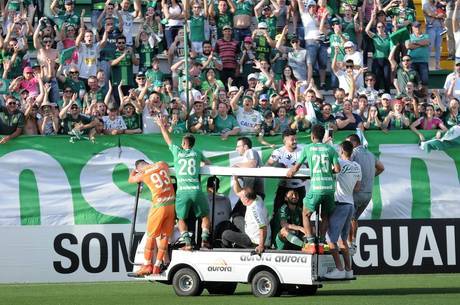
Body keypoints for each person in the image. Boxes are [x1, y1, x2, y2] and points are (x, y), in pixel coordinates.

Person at [155, 116, 212, 250]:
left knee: (181, 218)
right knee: (205, 215)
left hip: (182, 191)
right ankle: (204, 240)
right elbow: (208, 164)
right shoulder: (197, 152)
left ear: (184, 144)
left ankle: (187, 243)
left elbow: (167, 138)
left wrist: (161, 125)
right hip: (196, 189)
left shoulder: (177, 151)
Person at [287, 124, 341, 254]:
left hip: (316, 187)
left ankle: (311, 243)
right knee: (325, 216)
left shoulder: (308, 148)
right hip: (329, 189)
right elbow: (338, 169)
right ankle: (321, 243)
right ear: (323, 136)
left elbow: (297, 166)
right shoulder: (330, 149)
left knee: (306, 213)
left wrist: (291, 172)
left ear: (312, 136)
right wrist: (328, 172)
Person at [128, 159, 176, 276]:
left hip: (158, 206)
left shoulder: (143, 173)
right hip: (171, 205)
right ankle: (157, 266)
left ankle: (147, 265)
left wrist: (134, 172)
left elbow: (130, 180)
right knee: (164, 236)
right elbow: (166, 165)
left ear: (139, 168)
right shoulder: (161, 164)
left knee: (151, 235)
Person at [323, 140, 361, 280]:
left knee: (331, 239)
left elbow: (329, 169)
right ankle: (348, 270)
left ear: (341, 151)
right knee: (343, 240)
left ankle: (339, 269)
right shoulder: (357, 166)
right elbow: (357, 188)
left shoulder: (340, 162)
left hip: (340, 204)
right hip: (350, 204)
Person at [346, 134, 385, 254]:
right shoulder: (370, 154)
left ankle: (349, 244)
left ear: (353, 143)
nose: (346, 147)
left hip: (356, 192)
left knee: (348, 219)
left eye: (348, 144)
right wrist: (369, 177)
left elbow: (345, 165)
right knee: (354, 219)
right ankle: (353, 242)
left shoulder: (353, 153)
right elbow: (381, 167)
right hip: (368, 194)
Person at [221, 176, 271, 254]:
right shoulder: (256, 197)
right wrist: (235, 179)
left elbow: (263, 228)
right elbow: (238, 192)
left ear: (246, 200)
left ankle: (227, 254)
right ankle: (238, 241)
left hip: (254, 241)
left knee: (225, 234)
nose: (240, 199)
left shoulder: (255, 210)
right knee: (236, 218)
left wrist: (261, 246)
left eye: (241, 198)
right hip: (250, 230)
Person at [267, 129, 307, 215]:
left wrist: (306, 174)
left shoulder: (303, 150)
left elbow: (310, 165)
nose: (295, 141)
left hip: (300, 187)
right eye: (292, 140)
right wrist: (278, 168)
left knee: (303, 214)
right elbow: (268, 165)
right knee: (277, 212)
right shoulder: (278, 152)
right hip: (284, 187)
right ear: (285, 140)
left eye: (296, 139)